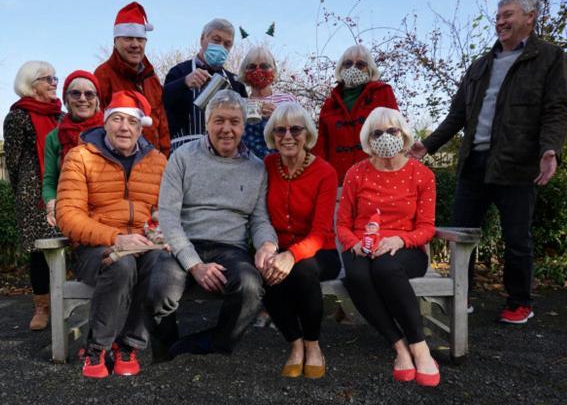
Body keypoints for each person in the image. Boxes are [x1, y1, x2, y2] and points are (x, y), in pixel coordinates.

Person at [409, 0, 567, 324]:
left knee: (517, 238)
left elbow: (556, 109)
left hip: (517, 163)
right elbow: (457, 115)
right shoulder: (480, 65)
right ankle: (460, 295)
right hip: (474, 163)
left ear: (529, 17)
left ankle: (519, 302)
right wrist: (426, 146)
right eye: (497, 16)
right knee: (460, 234)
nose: (500, 21)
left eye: (507, 14)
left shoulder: (549, 58)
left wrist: (550, 149)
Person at [149, 89, 278, 357]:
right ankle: (166, 348)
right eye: (219, 121)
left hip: (230, 248)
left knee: (251, 286)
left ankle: (210, 344)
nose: (226, 129)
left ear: (244, 126)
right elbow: (169, 216)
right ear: (207, 123)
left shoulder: (256, 168)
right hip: (185, 242)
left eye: (234, 121)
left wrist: (267, 244)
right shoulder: (183, 157)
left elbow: (260, 219)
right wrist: (194, 265)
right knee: (161, 285)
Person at [56, 90, 167, 378]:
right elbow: (68, 216)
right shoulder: (79, 157)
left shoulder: (157, 161)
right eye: (116, 119)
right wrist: (116, 239)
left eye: (131, 121)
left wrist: (160, 230)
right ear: (105, 123)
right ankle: (97, 347)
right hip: (96, 248)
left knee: (160, 266)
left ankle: (128, 345)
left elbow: (164, 211)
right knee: (123, 264)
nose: (124, 127)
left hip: (145, 245)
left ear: (140, 127)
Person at [337, 107, 439, 386]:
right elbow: (343, 224)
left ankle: (419, 347)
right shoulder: (356, 173)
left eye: (391, 130)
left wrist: (400, 240)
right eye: (377, 132)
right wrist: (354, 244)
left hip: (405, 247)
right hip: (361, 245)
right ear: (368, 139)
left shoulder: (422, 175)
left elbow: (427, 228)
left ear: (403, 134)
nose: (385, 137)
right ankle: (399, 346)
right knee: (356, 276)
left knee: (385, 267)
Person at [261, 102, 340, 379]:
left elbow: (320, 232)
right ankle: (294, 344)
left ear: (307, 134)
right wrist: (270, 250)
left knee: (303, 271)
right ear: (272, 135)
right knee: (263, 269)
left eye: (296, 129)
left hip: (321, 251)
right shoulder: (268, 165)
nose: (287, 136)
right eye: (280, 130)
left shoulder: (325, 173)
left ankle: (312, 344)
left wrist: (291, 255)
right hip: (278, 246)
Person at [3, 61, 62, 331]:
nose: (53, 83)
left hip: (64, 188)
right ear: (30, 84)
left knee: (68, 246)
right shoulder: (17, 117)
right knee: (40, 252)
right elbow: (12, 161)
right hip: (32, 193)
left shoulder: (62, 116)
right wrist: (23, 191)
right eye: (46, 78)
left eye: (55, 78)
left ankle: (65, 302)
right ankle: (43, 307)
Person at [313, 45, 398, 184]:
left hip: (377, 177)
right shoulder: (330, 103)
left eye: (360, 64)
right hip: (338, 178)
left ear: (369, 68)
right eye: (348, 64)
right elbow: (322, 144)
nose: (353, 68)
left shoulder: (383, 93)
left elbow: (396, 133)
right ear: (341, 68)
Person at [94, 2, 171, 157]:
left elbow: (162, 125)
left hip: (153, 163)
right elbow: (96, 127)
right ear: (116, 42)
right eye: (129, 38)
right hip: (117, 163)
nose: (135, 45)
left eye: (140, 39)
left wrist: (164, 157)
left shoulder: (152, 78)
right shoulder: (102, 76)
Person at [163, 18, 248, 151]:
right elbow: (161, 102)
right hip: (184, 151)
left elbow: (244, 122)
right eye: (216, 40)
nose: (221, 47)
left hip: (224, 155)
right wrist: (184, 83)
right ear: (202, 39)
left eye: (227, 44)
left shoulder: (235, 82)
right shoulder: (179, 71)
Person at [42, 70, 103, 226]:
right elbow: (50, 181)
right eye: (76, 93)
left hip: (106, 210)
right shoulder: (53, 137)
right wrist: (52, 204)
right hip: (69, 210)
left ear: (97, 101)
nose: (83, 99)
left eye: (89, 94)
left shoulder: (110, 131)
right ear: (66, 100)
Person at [237, 46, 296, 159]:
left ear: (273, 70)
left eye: (264, 66)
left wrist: (278, 117)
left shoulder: (288, 100)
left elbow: (301, 133)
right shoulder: (239, 104)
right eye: (252, 67)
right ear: (244, 72)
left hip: (282, 165)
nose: (258, 71)